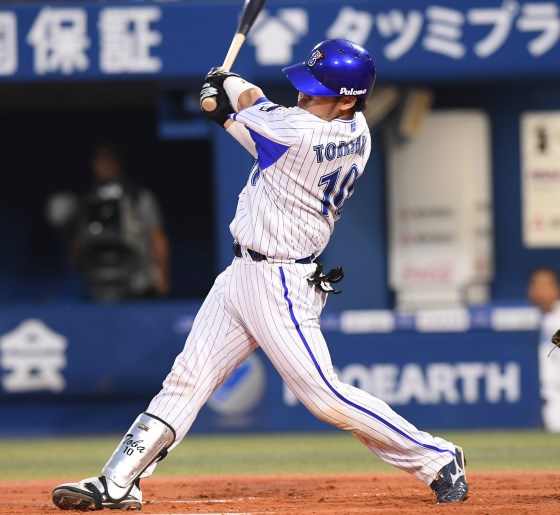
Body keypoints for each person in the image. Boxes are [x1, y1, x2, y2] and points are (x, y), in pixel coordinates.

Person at [51, 39, 468, 511]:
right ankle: (118, 480)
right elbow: (262, 129)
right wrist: (225, 109)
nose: (303, 95)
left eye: (316, 92)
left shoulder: (301, 132)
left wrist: (223, 84)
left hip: (281, 282)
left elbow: (251, 103)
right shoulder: (356, 131)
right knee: (186, 380)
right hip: (241, 275)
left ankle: (437, 457)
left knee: (324, 397)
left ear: (346, 100)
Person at [49, 143, 171, 301]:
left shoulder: (138, 197)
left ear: (119, 163)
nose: (105, 166)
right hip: (96, 280)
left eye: (109, 161)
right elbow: (78, 246)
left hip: (136, 277)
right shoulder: (86, 200)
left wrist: (162, 276)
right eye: (100, 161)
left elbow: (157, 236)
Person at [527, 267, 560, 431]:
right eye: (536, 285)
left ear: (556, 289)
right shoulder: (523, 319)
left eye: (546, 286)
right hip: (533, 392)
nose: (540, 291)